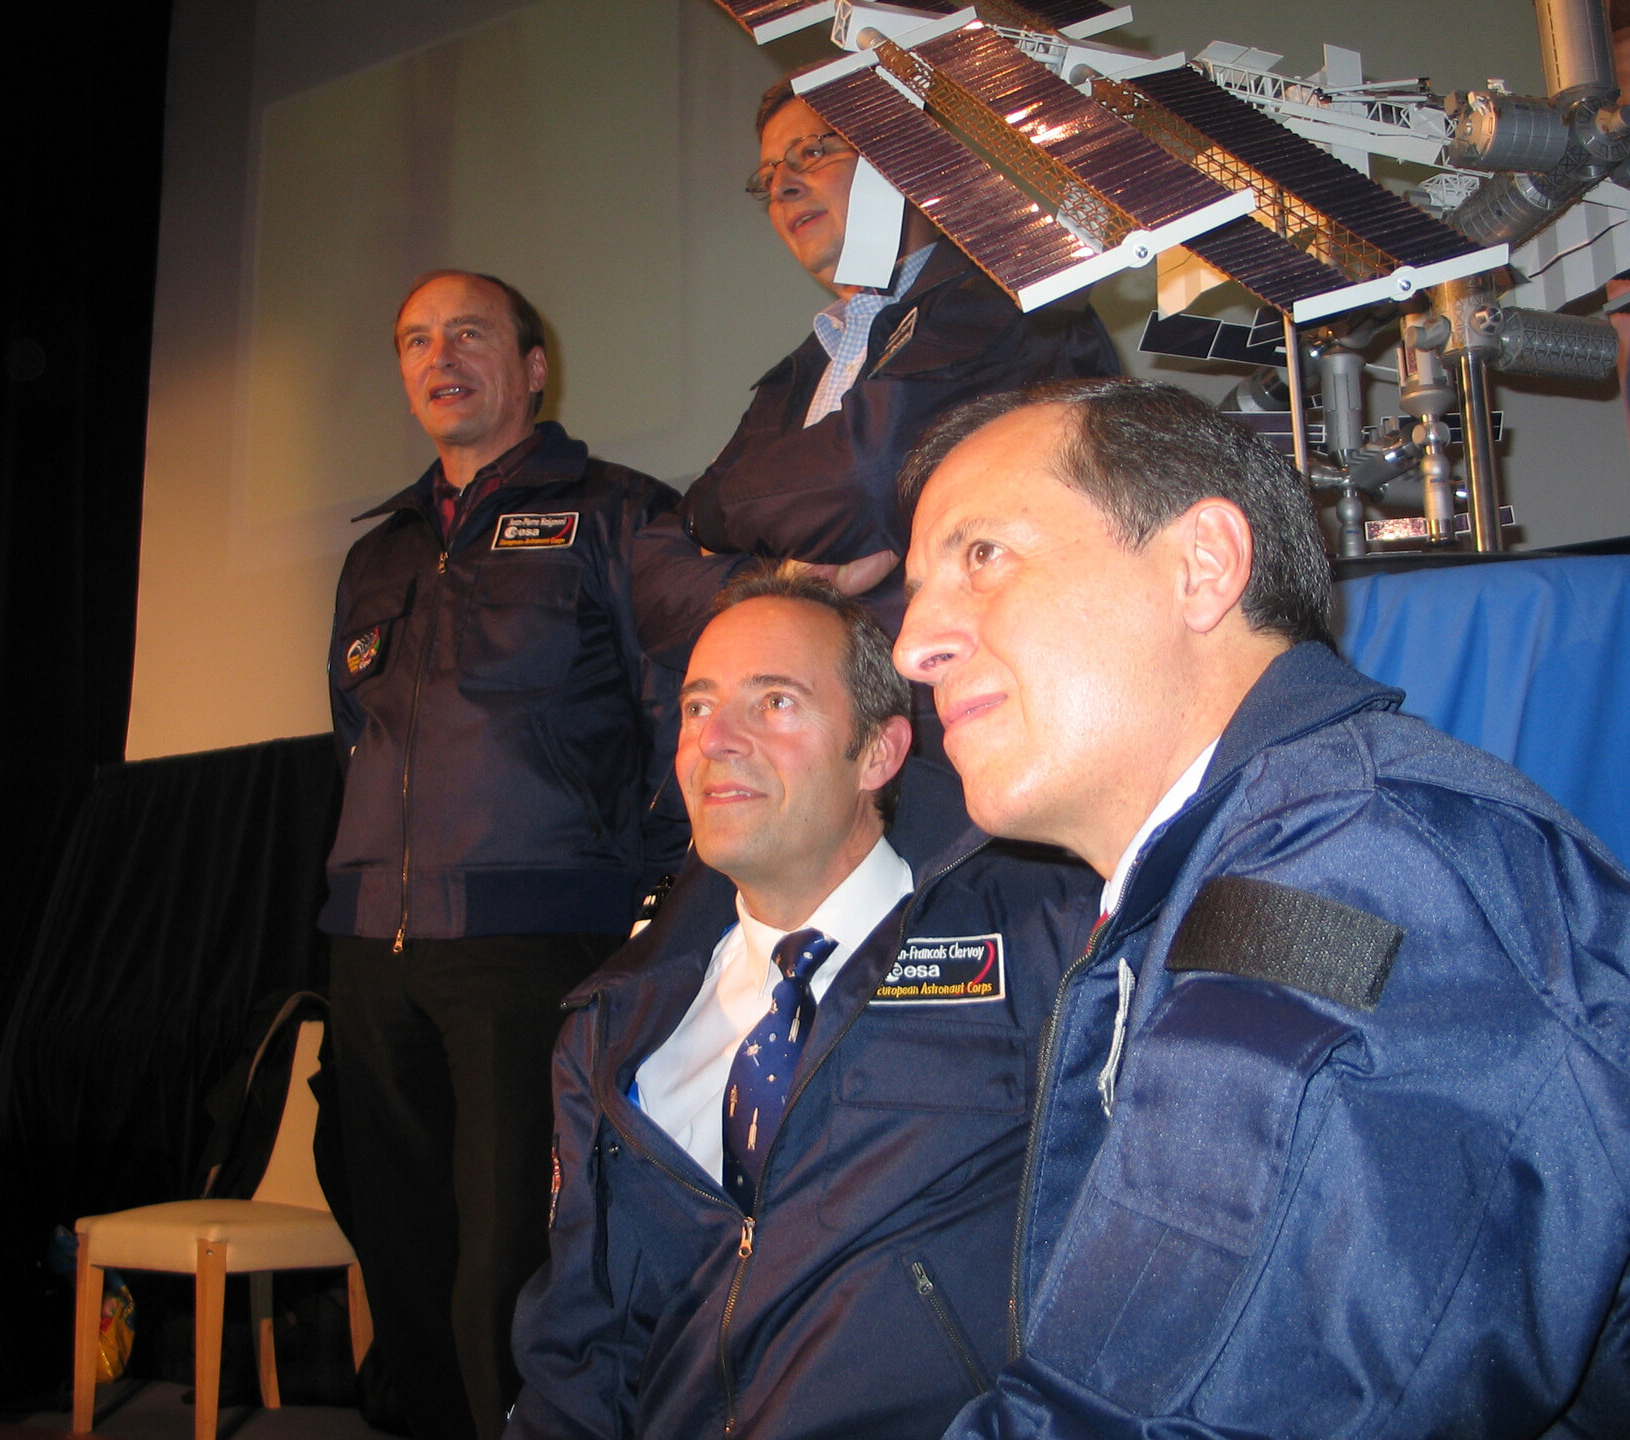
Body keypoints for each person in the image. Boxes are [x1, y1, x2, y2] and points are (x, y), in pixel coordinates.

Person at [892, 377, 1630, 1437]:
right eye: (917, 592)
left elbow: (1174, 1412)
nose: (915, 645)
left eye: (982, 557)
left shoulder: (1339, 872)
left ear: (1202, 568)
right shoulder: (1241, 864)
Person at [504, 568, 1100, 1439]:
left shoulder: (1044, 940)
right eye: (699, 708)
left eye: (774, 702)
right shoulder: (612, 1029)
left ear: (880, 753)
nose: (716, 741)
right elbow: (576, 1354)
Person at [321, 270, 678, 1440]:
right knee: (401, 1243)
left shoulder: (619, 513)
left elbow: (680, 711)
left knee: (512, 1257)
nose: (441, 355)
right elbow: (352, 734)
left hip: (535, 941)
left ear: (533, 366)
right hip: (374, 946)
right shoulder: (377, 554)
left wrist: (665, 896)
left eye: (471, 332)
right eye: (416, 337)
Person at [630, 79, 1121, 668]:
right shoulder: (799, 374)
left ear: (902, 156)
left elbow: (864, 477)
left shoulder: (1008, 303)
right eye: (768, 179)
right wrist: (789, 581)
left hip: (953, 714)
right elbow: (652, 585)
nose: (782, 187)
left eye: (812, 153)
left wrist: (710, 517)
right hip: (820, 735)